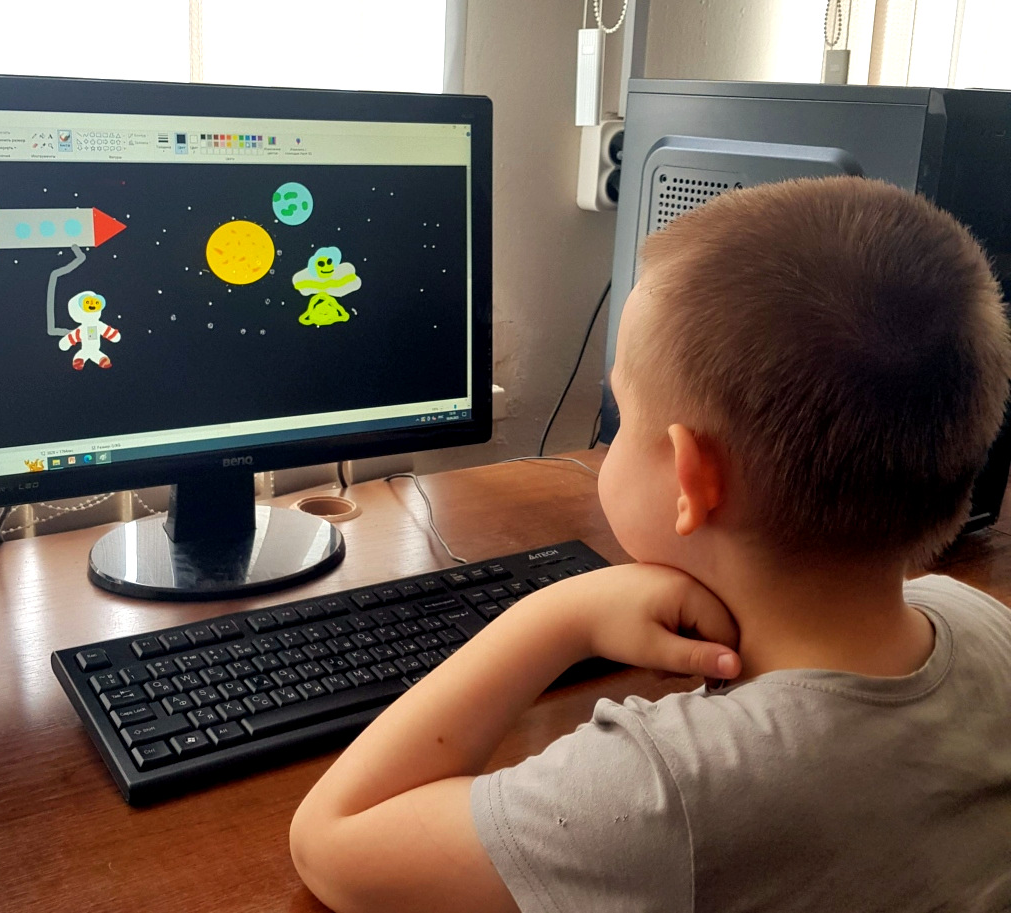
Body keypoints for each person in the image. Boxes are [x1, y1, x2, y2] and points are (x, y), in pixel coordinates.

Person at [288, 176, 1011, 912]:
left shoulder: (669, 791)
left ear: (691, 480)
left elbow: (331, 840)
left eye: (622, 414)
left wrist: (561, 614)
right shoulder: (984, 624)